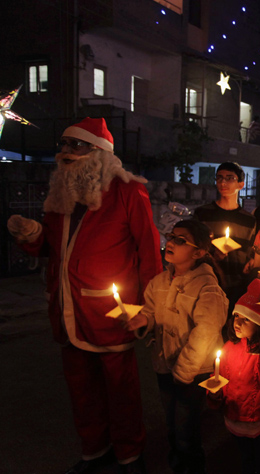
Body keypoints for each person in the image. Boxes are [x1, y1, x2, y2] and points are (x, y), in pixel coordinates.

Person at [6, 117, 162, 474]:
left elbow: (149, 253)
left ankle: (129, 455)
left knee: (121, 392)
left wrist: (149, 309)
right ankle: (95, 451)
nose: (66, 153)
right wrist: (32, 235)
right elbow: (50, 245)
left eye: (75, 146)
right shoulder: (60, 193)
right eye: (63, 145)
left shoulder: (127, 191)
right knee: (82, 391)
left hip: (111, 312)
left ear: (100, 153)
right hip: (66, 308)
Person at [126, 220, 228, 474]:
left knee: (186, 429)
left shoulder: (207, 286)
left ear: (199, 252)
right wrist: (144, 319)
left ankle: (192, 466)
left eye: (180, 240)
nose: (170, 242)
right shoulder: (159, 281)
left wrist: (184, 371)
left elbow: (206, 330)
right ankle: (176, 463)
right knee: (171, 422)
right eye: (171, 236)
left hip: (192, 371)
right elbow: (151, 310)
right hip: (164, 363)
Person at [207, 279, 260, 474]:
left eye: (246, 319)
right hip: (233, 422)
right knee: (245, 462)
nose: (238, 323)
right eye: (236, 316)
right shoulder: (229, 348)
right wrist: (214, 394)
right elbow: (219, 377)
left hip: (259, 428)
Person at [194, 162, 255, 311]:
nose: (223, 182)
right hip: (207, 283)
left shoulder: (248, 220)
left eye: (229, 178)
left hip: (238, 286)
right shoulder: (203, 214)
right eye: (219, 178)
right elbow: (194, 249)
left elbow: (250, 251)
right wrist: (213, 257)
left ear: (240, 184)